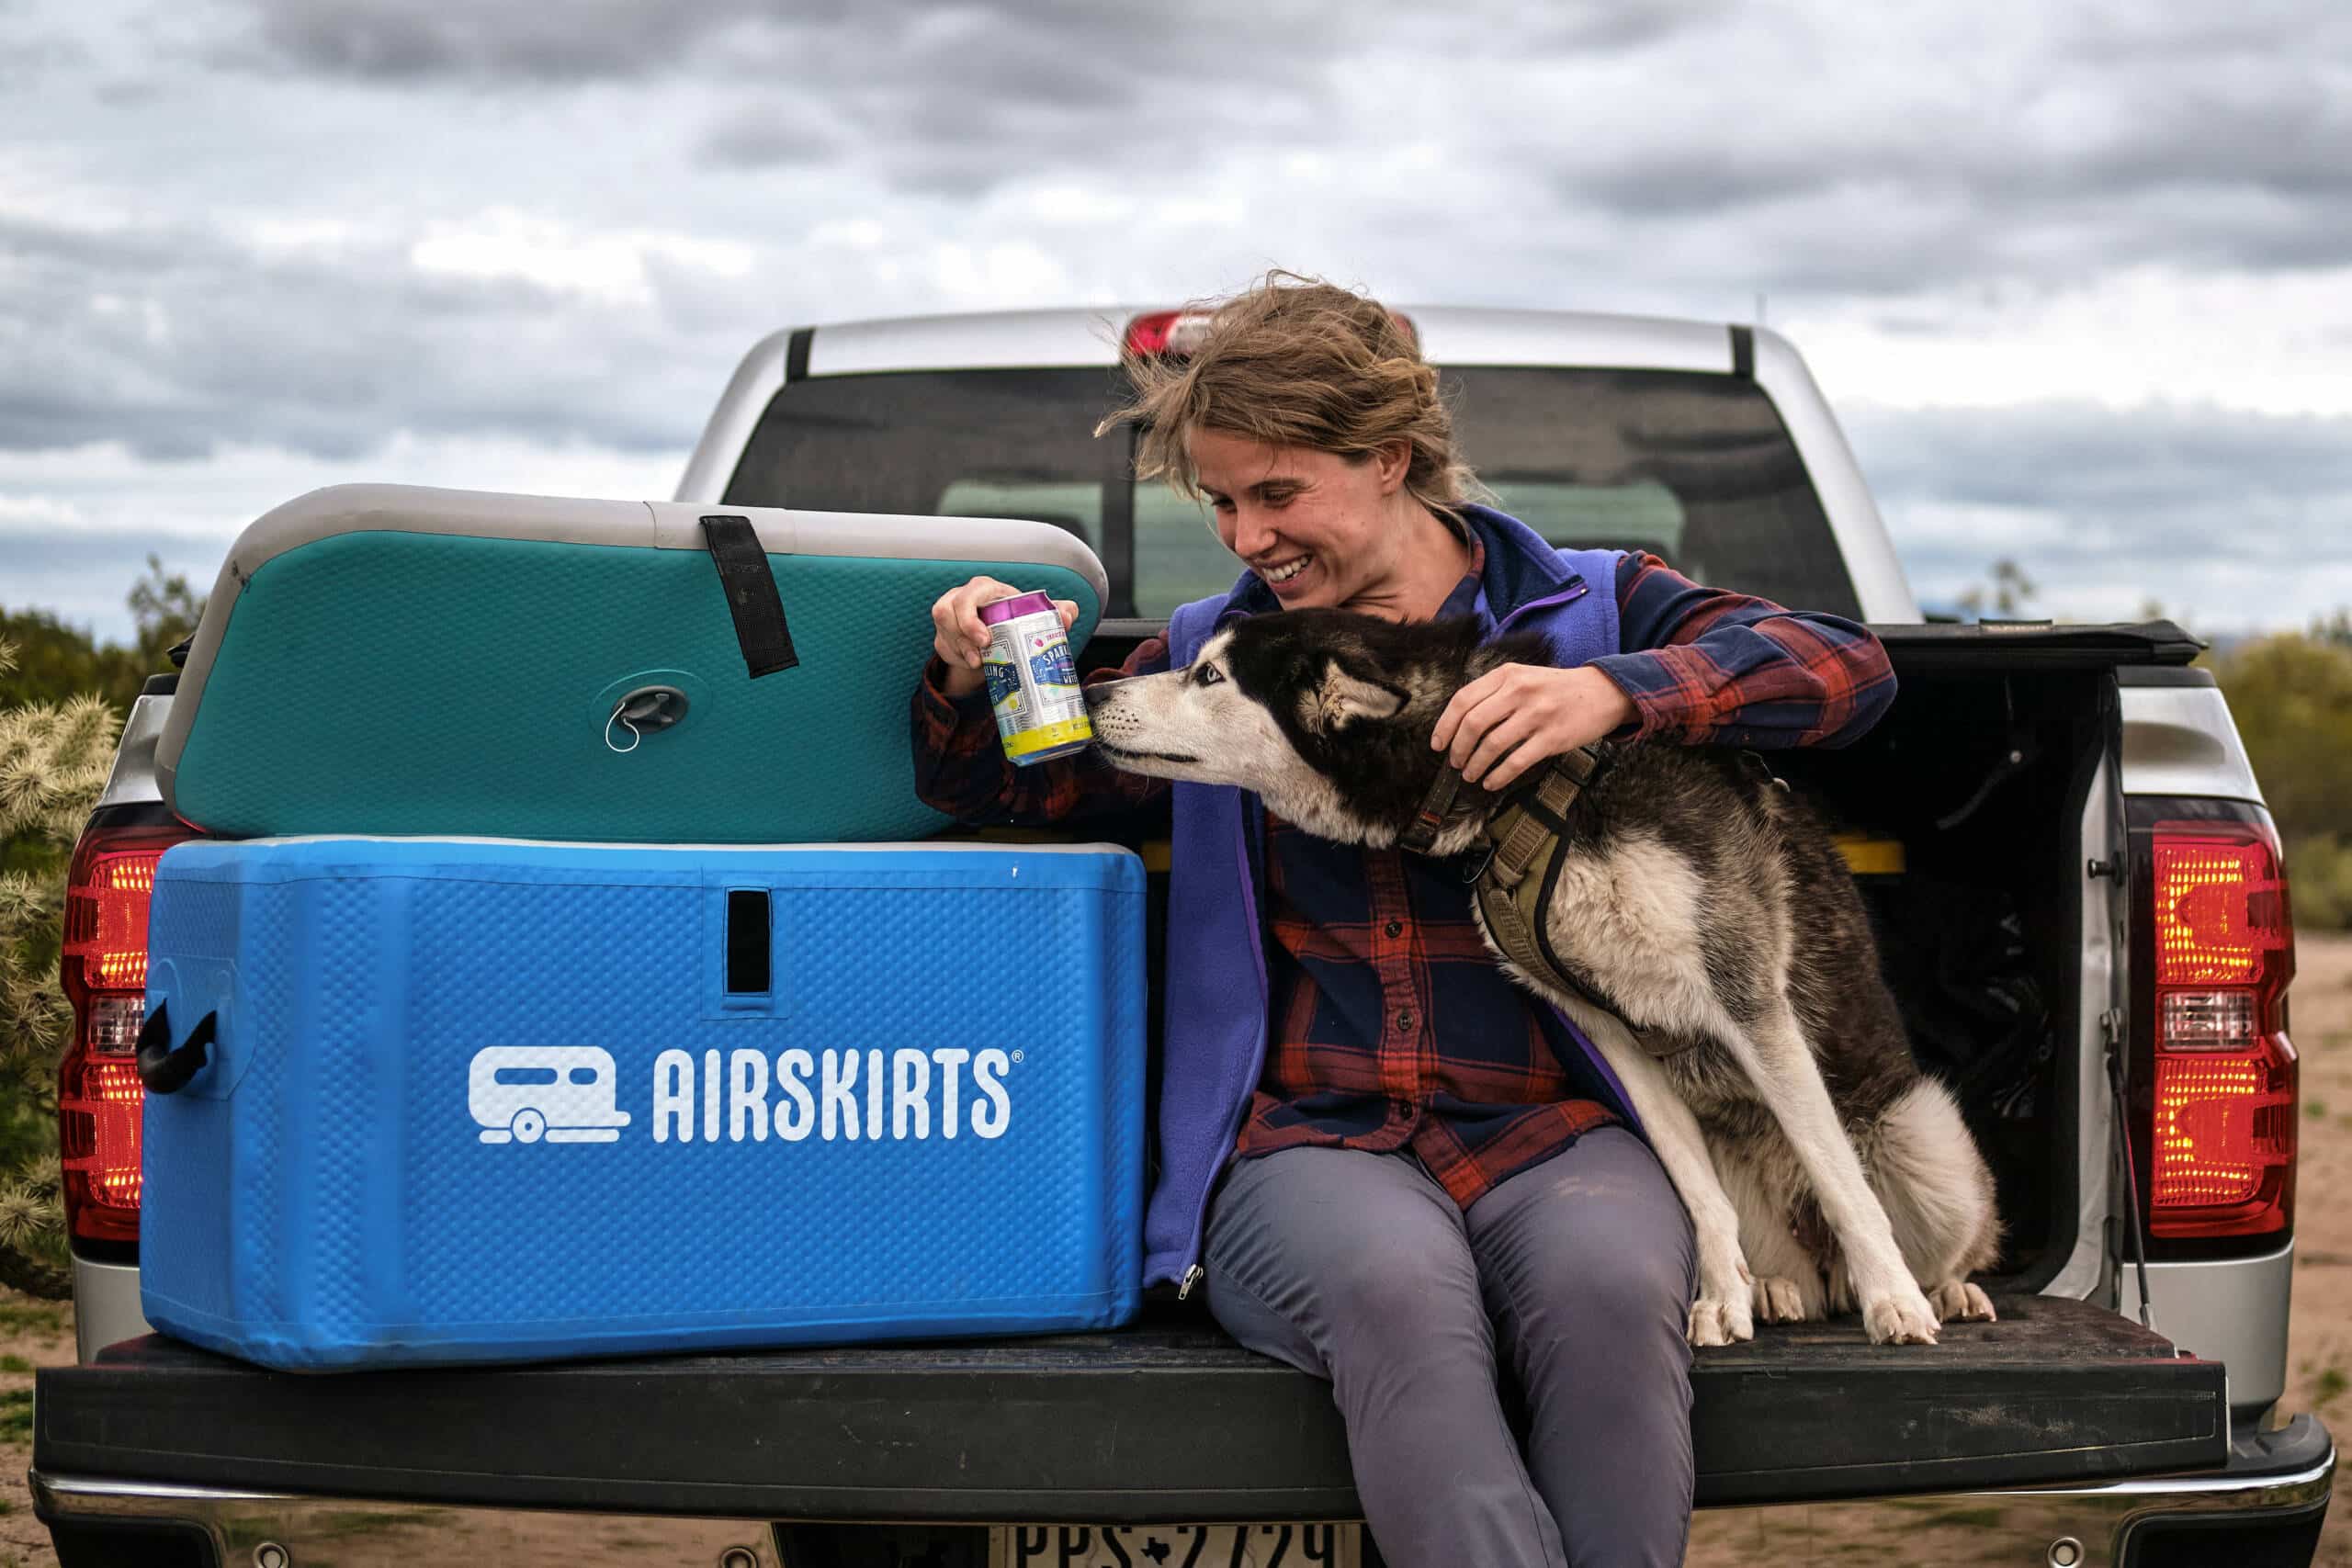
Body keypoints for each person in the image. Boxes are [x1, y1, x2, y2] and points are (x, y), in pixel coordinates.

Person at [910, 275, 1895, 1567]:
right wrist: (962, 666)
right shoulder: (1218, 658)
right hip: (1309, 1141)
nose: (1246, 535)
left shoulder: (1592, 611)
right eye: (1218, 501)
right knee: (1392, 1294)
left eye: (1278, 492)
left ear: (1390, 457)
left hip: (1566, 1130)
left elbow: (1844, 672)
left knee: (1610, 1296)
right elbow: (1005, 782)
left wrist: (1618, 691)